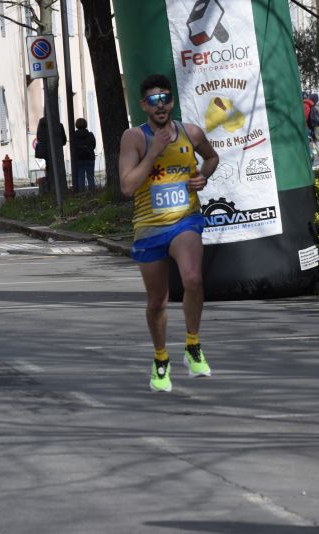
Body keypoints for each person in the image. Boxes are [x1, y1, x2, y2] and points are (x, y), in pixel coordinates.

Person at [118, 73, 219, 392]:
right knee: (157, 302)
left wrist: (203, 176)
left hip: (185, 220)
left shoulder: (191, 132)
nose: (160, 105)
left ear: (172, 102)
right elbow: (127, 187)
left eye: (165, 98)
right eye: (153, 100)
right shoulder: (134, 138)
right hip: (149, 227)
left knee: (192, 278)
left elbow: (212, 157)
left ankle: (193, 345)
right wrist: (153, 152)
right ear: (143, 106)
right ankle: (161, 359)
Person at [72, 118, 96, 192]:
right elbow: (93, 146)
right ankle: (92, 192)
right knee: (91, 177)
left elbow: (73, 147)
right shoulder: (90, 135)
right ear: (86, 124)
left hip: (79, 159)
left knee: (80, 177)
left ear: (76, 125)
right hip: (89, 158)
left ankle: (81, 192)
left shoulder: (74, 135)